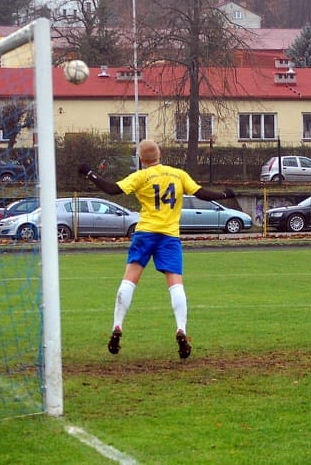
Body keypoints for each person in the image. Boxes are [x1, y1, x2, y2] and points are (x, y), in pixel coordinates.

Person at [77, 139, 237, 358]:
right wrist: (225, 195)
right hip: (169, 236)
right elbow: (200, 193)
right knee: (175, 282)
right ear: (159, 154)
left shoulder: (140, 176)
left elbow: (112, 190)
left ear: (141, 159)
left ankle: (117, 325)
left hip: (145, 233)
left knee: (130, 278)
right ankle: (181, 328)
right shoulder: (178, 174)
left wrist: (90, 174)